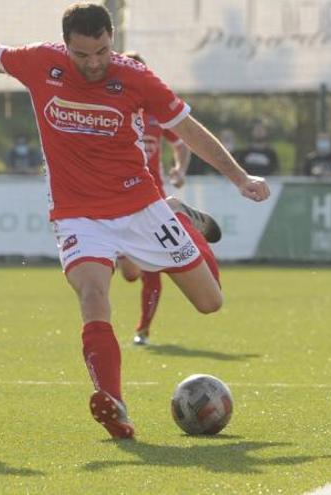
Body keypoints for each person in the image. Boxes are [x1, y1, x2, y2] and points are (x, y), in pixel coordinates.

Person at [0, 0, 269, 439]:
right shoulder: (42, 62)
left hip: (142, 207)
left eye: (101, 52)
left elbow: (188, 130)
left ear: (111, 40)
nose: (94, 63)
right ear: (66, 46)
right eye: (83, 55)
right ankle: (114, 404)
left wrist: (238, 176)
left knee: (210, 302)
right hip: (78, 214)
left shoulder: (135, 77)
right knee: (93, 294)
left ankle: (180, 213)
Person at [117, 51, 195, 346]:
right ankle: (122, 254)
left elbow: (182, 144)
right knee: (129, 274)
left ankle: (143, 329)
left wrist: (179, 169)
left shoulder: (156, 113)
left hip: (152, 198)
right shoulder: (111, 108)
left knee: (153, 267)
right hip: (117, 197)